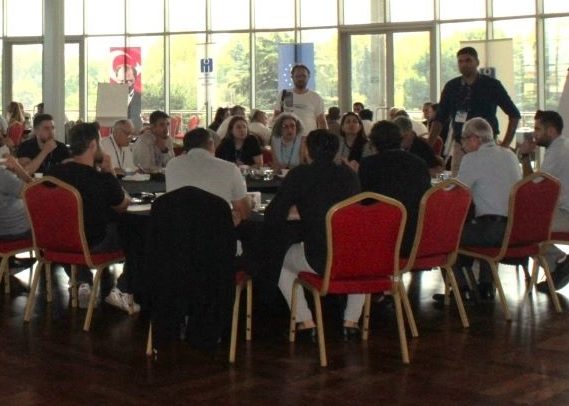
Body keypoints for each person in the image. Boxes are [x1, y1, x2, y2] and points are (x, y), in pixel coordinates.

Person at [265, 129, 362, 339]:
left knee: (279, 260)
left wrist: (297, 210)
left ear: (307, 151)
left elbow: (274, 213)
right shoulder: (349, 175)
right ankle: (351, 321)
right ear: (336, 151)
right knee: (356, 256)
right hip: (353, 256)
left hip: (319, 257)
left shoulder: (300, 174)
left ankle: (305, 321)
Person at [46, 122, 135, 314]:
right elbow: (122, 204)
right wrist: (110, 172)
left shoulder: (52, 174)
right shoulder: (101, 179)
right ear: (93, 145)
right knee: (139, 234)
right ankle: (122, 289)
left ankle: (81, 279)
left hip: (54, 240)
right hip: (94, 243)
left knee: (71, 228)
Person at [518, 110, 569, 291]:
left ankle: (560, 262)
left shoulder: (557, 152)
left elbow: (531, 187)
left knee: (522, 226)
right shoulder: (564, 146)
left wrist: (524, 156)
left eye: (538, 129)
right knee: (526, 221)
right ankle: (558, 265)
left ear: (551, 131)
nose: (534, 134)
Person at [451, 116, 523, 300]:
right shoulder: (509, 155)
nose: (462, 145)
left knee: (446, 236)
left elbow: (456, 191)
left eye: (463, 139)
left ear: (475, 139)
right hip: (517, 229)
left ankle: (461, 290)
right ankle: (486, 285)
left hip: (492, 231)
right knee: (481, 220)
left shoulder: (472, 159)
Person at [429, 46, 521, 173]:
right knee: (459, 182)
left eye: (468, 60)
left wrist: (505, 145)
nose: (464, 64)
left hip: (486, 146)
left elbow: (514, 114)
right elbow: (440, 118)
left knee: (487, 178)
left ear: (477, 62)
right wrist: (429, 146)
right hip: (461, 145)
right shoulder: (452, 87)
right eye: (460, 61)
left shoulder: (492, 85)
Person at [358, 120, 432, 257]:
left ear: (374, 145)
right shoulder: (418, 162)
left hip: (386, 237)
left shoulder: (369, 165)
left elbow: (365, 201)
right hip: (419, 236)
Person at [165, 127, 250, 226]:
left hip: (178, 230)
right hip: (217, 231)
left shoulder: (171, 165)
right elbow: (243, 213)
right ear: (211, 144)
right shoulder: (230, 168)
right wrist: (250, 202)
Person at [278, 64, 327, 134]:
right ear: (292, 77)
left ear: (308, 77)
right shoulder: (286, 94)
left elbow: (322, 121)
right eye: (297, 76)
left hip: (309, 138)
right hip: (288, 138)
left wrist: (322, 137)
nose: (300, 79)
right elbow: (277, 117)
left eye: (303, 76)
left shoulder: (315, 97)